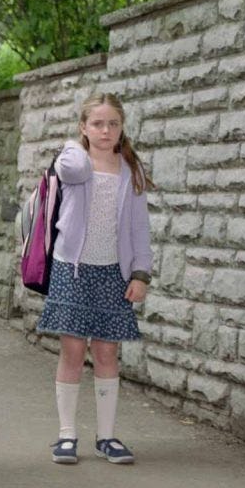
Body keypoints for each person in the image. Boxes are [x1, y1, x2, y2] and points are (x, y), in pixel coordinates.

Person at [38, 92, 153, 466]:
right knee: (72, 352)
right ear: (83, 127)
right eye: (98, 123)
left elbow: (139, 228)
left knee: (107, 353)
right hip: (71, 269)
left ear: (122, 127)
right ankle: (66, 435)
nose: (106, 131)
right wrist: (77, 145)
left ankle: (106, 437)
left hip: (112, 273)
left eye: (113, 124)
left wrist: (140, 273)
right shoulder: (74, 161)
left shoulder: (130, 171)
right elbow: (71, 169)